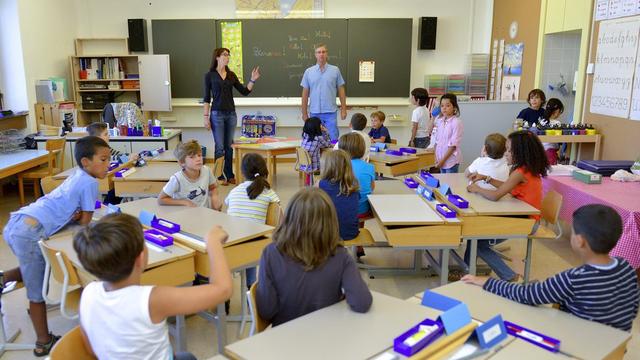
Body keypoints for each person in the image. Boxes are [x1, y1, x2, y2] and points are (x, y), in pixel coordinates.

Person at [1, 136, 110, 356]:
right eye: (103, 159)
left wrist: (73, 216)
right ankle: (43, 342)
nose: (108, 164)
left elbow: (66, 208)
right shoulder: (90, 182)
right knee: (36, 290)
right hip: (29, 233)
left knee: (36, 268)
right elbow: (86, 223)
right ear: (86, 162)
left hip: (19, 221)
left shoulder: (77, 174)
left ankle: (3, 278)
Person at [75, 213, 233, 359]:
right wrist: (213, 242)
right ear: (141, 258)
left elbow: (90, 349)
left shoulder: (88, 292)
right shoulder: (151, 300)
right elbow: (223, 289)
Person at [463, 204, 640, 332]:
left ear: (579, 241)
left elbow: (527, 295)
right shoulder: (627, 269)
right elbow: (632, 310)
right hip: (613, 348)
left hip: (574, 347)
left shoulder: (575, 278)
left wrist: (487, 282)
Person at [256, 188, 372, 326]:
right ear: (331, 222)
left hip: (285, 339)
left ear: (289, 218)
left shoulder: (271, 253)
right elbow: (361, 302)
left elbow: (266, 310)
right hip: (327, 336)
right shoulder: (340, 256)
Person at [465, 130, 549, 281]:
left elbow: (496, 196)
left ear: (520, 152)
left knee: (476, 239)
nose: (506, 154)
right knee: (475, 232)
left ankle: (508, 275)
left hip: (527, 222)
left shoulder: (519, 172)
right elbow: (506, 186)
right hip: (523, 217)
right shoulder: (525, 169)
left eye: (509, 150)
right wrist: (486, 178)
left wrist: (476, 187)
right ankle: (466, 268)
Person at [203, 47, 261, 186]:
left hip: (231, 114)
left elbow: (244, 91)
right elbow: (206, 98)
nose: (227, 57)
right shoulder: (209, 76)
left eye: (228, 55)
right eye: (224, 55)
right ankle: (219, 175)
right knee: (219, 146)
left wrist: (252, 80)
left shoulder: (231, 75)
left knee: (229, 146)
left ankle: (229, 174)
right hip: (216, 114)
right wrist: (206, 117)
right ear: (217, 57)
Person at [225, 153, 281, 288]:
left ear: (242, 172)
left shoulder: (234, 191)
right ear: (264, 169)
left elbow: (227, 205)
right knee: (251, 242)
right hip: (254, 245)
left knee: (244, 240)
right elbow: (280, 217)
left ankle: (227, 297)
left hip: (230, 242)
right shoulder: (268, 192)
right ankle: (250, 288)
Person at [300, 43, 347, 141]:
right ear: (315, 55)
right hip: (314, 113)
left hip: (330, 112)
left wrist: (343, 109)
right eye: (319, 52)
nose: (321, 54)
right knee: (315, 140)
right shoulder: (309, 72)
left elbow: (341, 90)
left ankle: (333, 156)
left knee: (333, 139)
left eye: (323, 52)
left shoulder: (335, 70)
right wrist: (304, 113)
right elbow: (305, 94)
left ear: (327, 54)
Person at [158, 140, 222, 210]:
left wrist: (214, 196)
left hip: (203, 213)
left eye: (199, 155)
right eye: (192, 157)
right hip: (184, 215)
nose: (198, 159)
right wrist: (185, 202)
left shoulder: (206, 170)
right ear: (182, 162)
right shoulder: (177, 179)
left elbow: (213, 187)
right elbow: (161, 199)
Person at [319, 149, 360, 241]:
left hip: (327, 236)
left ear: (326, 168)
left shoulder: (321, 185)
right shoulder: (354, 186)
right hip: (350, 233)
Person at [338, 133, 375, 218]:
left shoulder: (338, 166)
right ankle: (361, 228)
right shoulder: (370, 167)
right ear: (362, 149)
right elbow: (372, 188)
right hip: (362, 210)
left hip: (341, 210)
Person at [433, 93, 463, 173]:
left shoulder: (456, 122)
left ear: (454, 107)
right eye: (442, 106)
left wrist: (442, 161)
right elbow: (437, 142)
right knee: (443, 184)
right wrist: (436, 158)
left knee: (450, 184)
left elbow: (453, 146)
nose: (444, 108)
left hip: (451, 161)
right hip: (440, 160)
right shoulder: (440, 121)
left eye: (448, 105)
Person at [539, 98, 564, 165]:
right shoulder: (557, 123)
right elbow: (559, 140)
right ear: (557, 111)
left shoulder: (542, 121)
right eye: (560, 112)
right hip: (551, 152)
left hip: (540, 151)